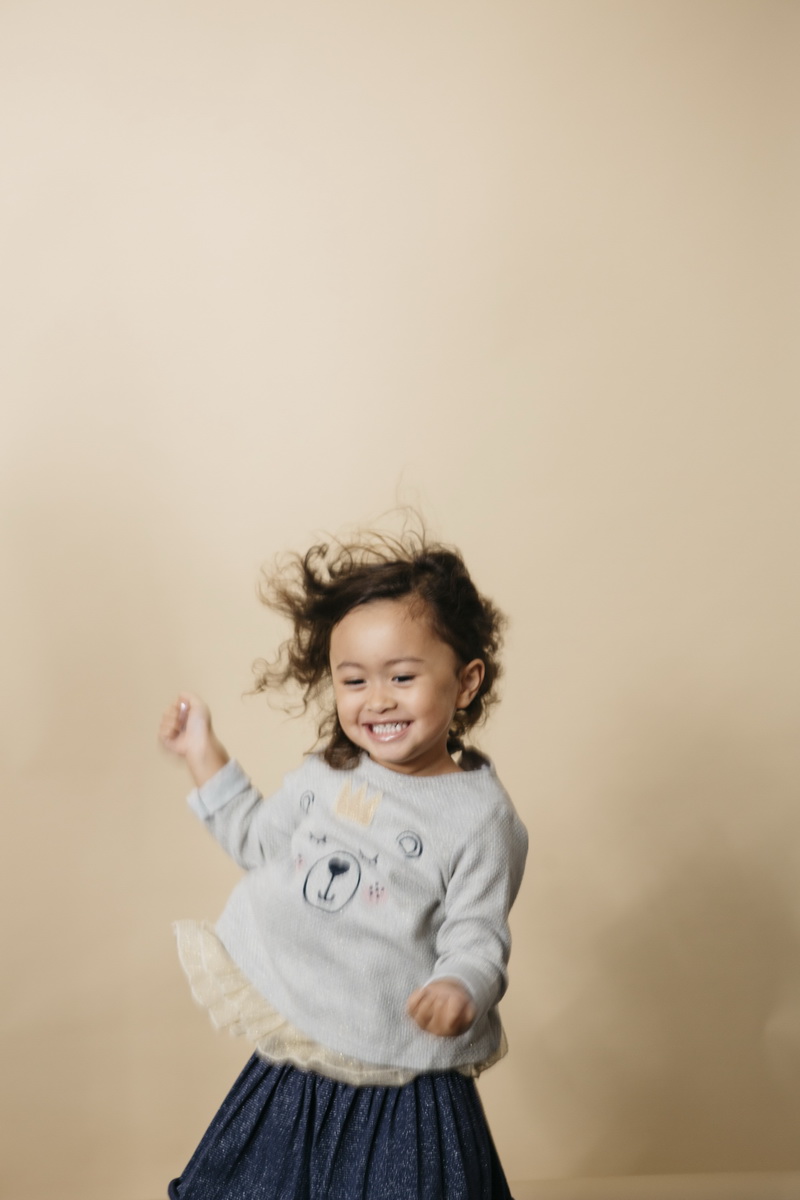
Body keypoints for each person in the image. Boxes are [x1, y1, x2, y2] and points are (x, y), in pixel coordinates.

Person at [159, 527, 528, 1199]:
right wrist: (200, 752)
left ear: (466, 681)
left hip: (403, 1074)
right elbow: (255, 842)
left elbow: (478, 933)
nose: (376, 700)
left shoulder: (480, 818)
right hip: (304, 1053)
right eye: (353, 681)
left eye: (402, 677)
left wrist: (461, 985)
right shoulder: (326, 777)